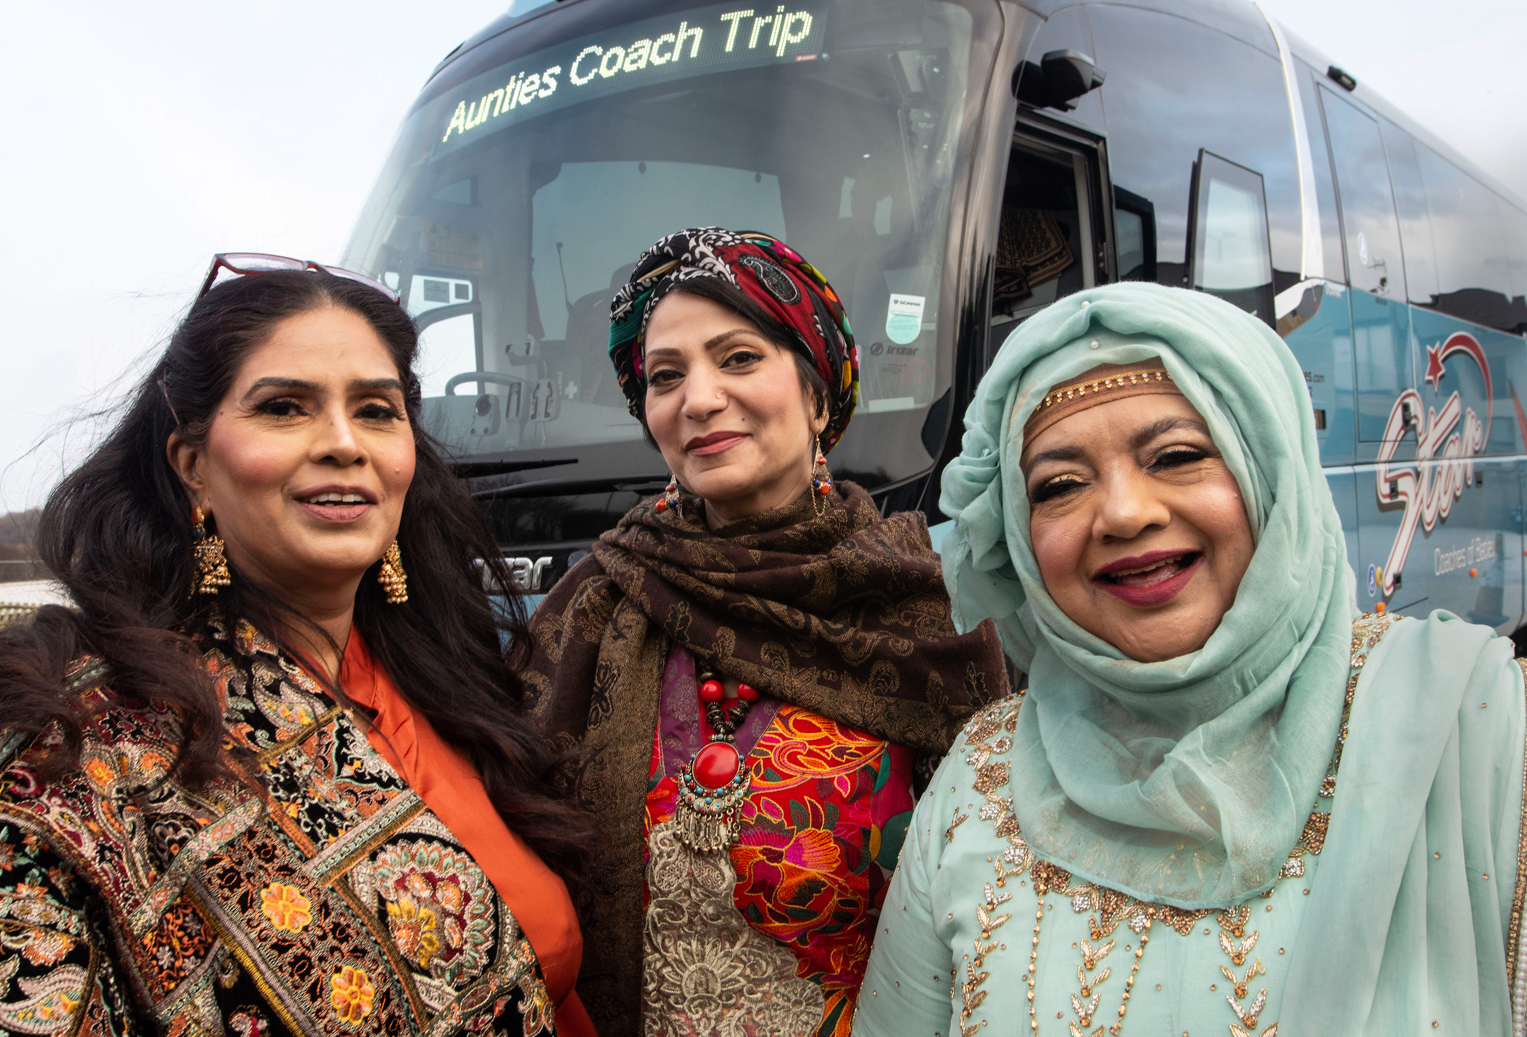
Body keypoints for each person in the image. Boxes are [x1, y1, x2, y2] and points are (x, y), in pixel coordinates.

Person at [0, 258, 596, 1036]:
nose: (345, 444)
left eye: (377, 410)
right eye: (285, 408)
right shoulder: (77, 748)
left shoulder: (453, 680)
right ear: (193, 466)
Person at [854, 282, 1527, 1035]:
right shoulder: (980, 774)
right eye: (1061, 486)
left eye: (1175, 456)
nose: (1125, 513)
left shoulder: (1476, 726)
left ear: (1270, 472)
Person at [521, 227, 1007, 1037]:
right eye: (666, 377)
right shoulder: (599, 602)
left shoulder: (924, 607)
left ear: (819, 393)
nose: (699, 399)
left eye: (739, 358)